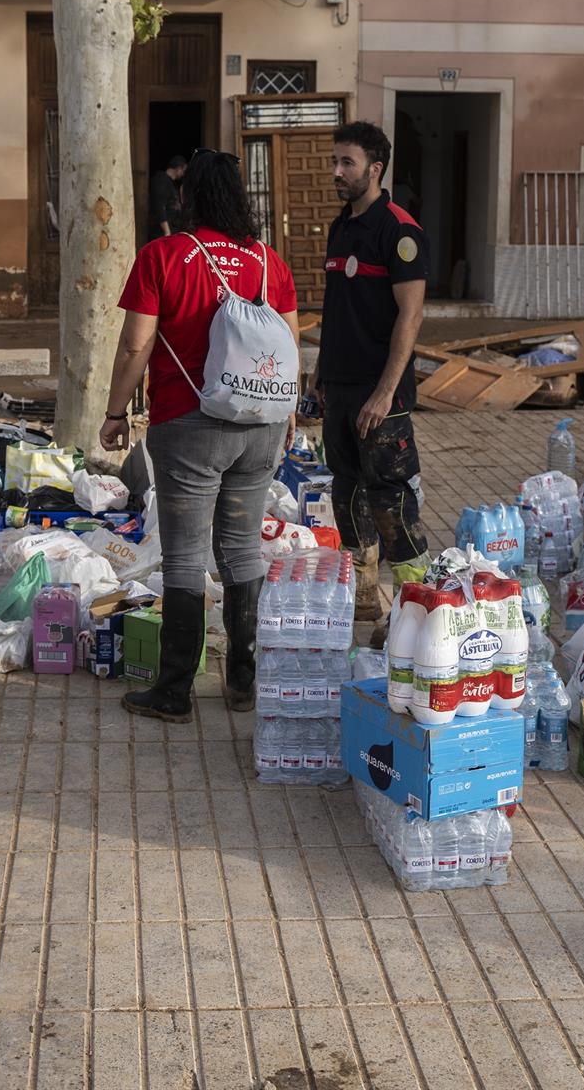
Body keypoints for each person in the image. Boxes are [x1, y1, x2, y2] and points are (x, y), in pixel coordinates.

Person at [101, 149, 300, 722]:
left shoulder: (164, 256)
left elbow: (136, 343)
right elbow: (289, 346)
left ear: (189, 198)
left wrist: (116, 413)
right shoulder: (268, 262)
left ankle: (173, 690)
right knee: (241, 550)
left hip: (189, 426)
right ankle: (242, 682)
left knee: (185, 555)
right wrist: (286, 417)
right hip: (260, 427)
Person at [314, 120, 431, 632]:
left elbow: (412, 316)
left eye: (347, 163)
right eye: (335, 161)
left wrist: (385, 392)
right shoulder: (341, 227)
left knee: (390, 498)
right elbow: (337, 308)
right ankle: (365, 600)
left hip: (380, 394)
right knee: (346, 490)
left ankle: (418, 604)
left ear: (375, 169)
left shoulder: (400, 230)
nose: (336, 171)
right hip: (339, 387)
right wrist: (318, 375)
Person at [147, 154, 186, 243]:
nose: (183, 174)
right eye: (183, 170)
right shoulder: (161, 180)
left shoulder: (170, 183)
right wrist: (167, 231)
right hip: (161, 231)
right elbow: (159, 206)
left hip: (170, 229)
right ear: (178, 168)